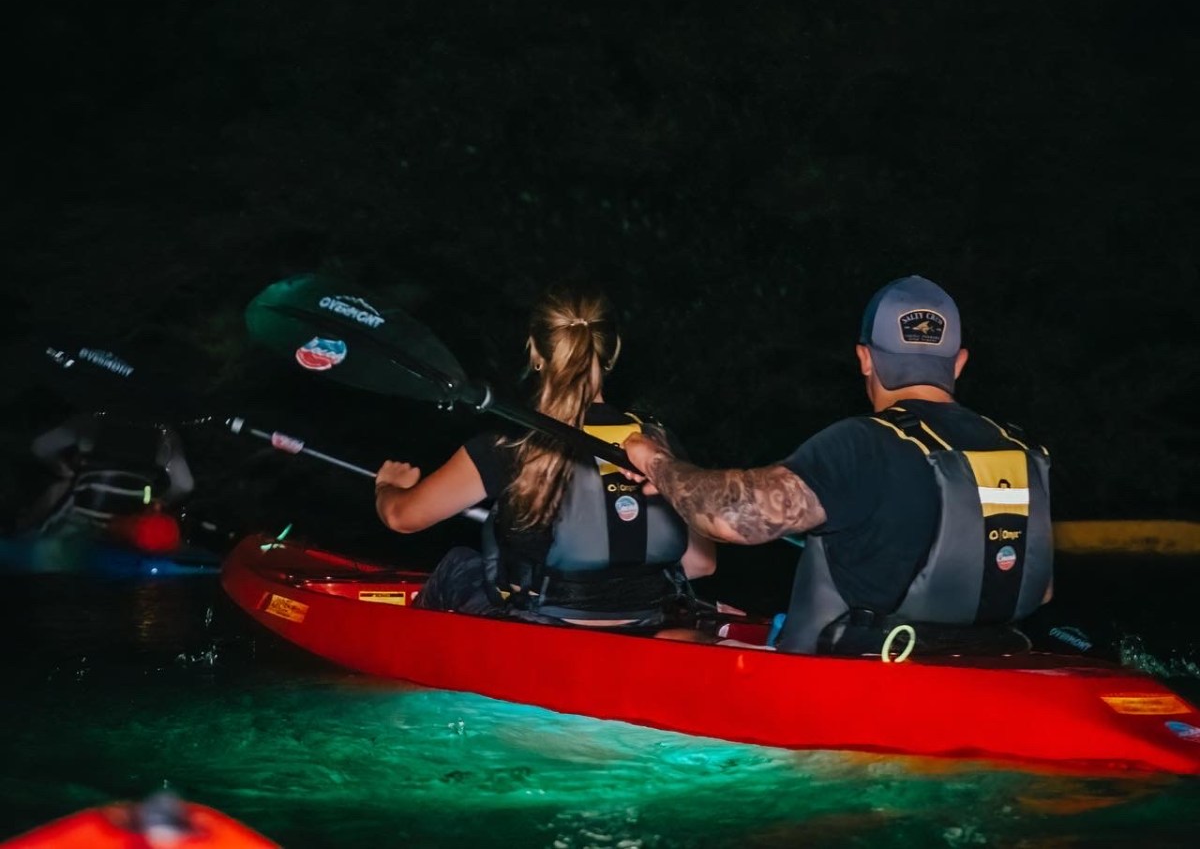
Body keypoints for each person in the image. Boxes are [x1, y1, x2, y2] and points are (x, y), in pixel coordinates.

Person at [623, 275, 1054, 656]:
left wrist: (655, 461)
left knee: (672, 642)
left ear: (865, 357)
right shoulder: (1022, 451)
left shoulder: (863, 443)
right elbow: (1042, 588)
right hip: (991, 666)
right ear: (959, 363)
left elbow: (732, 516)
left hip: (852, 684)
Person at [374, 285, 716, 631]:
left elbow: (402, 517)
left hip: (542, 628)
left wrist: (388, 487)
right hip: (645, 624)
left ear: (535, 352)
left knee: (457, 564)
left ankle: (403, 646)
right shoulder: (660, 445)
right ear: (612, 352)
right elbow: (700, 564)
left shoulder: (512, 443)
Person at [20, 412, 195, 533]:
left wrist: (65, 471)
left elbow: (40, 447)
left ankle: (23, 532)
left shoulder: (90, 419)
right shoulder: (165, 433)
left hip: (83, 511)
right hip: (131, 518)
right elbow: (184, 485)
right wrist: (158, 499)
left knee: (57, 492)